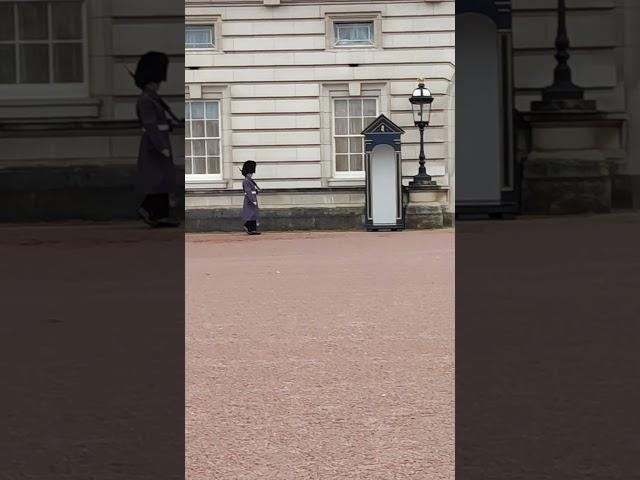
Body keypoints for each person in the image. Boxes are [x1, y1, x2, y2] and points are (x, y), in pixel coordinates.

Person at [132, 51, 180, 227]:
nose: (157, 86)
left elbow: (159, 122)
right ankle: (151, 211)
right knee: (158, 180)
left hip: (160, 140)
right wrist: (161, 147)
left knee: (164, 180)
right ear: (147, 83)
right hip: (154, 144)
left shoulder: (152, 99)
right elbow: (150, 125)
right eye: (154, 83)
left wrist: (169, 125)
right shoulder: (145, 101)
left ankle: (159, 214)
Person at [241, 161, 261, 235]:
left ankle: (253, 229)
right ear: (247, 174)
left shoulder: (249, 181)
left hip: (253, 198)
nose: (251, 175)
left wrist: (256, 191)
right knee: (251, 214)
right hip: (250, 200)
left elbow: (252, 190)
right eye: (250, 173)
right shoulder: (246, 181)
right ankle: (248, 227)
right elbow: (248, 191)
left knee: (254, 214)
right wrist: (253, 200)